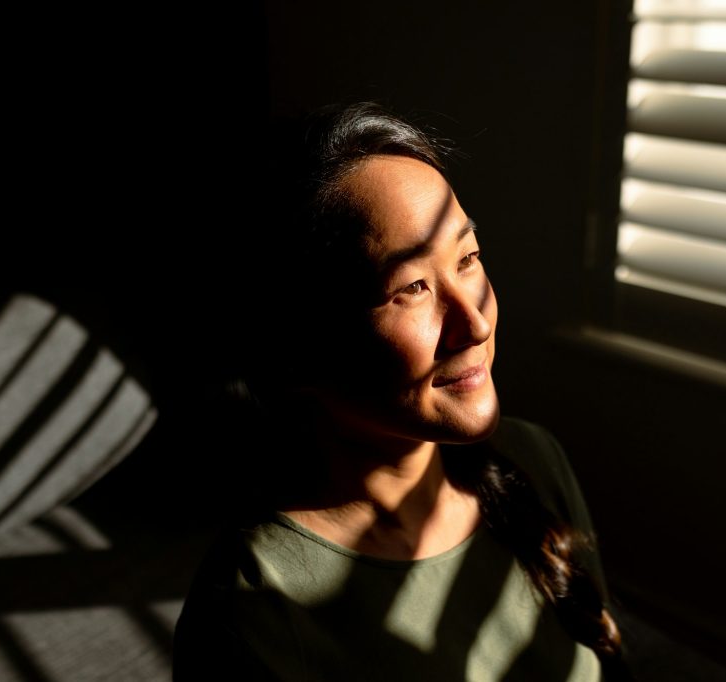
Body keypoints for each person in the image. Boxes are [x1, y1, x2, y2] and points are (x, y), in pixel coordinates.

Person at [172, 101, 632, 681]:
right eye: (410, 288)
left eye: (467, 258)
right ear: (294, 350)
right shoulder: (251, 615)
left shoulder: (533, 460)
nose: (477, 323)